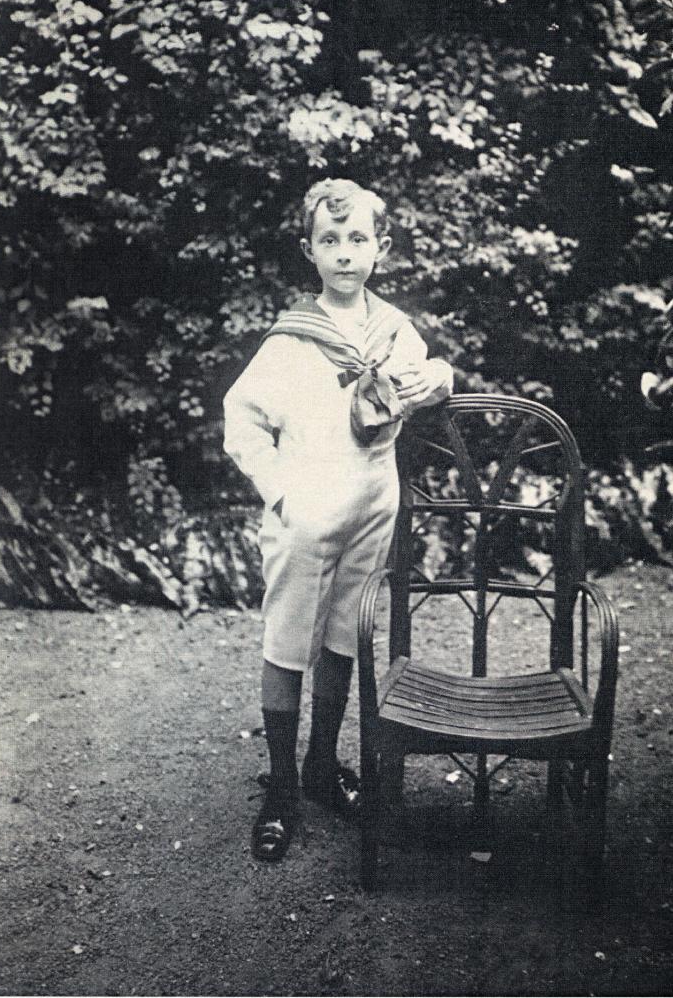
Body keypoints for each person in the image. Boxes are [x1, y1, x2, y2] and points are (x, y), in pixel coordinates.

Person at [223, 178, 454, 862]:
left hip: (372, 500)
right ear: (310, 251)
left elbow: (430, 378)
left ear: (382, 247)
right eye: (330, 240)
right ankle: (282, 789)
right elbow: (240, 419)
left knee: (346, 633)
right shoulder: (293, 340)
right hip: (307, 506)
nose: (346, 253)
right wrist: (280, 493)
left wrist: (438, 376)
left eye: (358, 239)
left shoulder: (393, 329)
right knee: (288, 639)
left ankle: (321, 765)